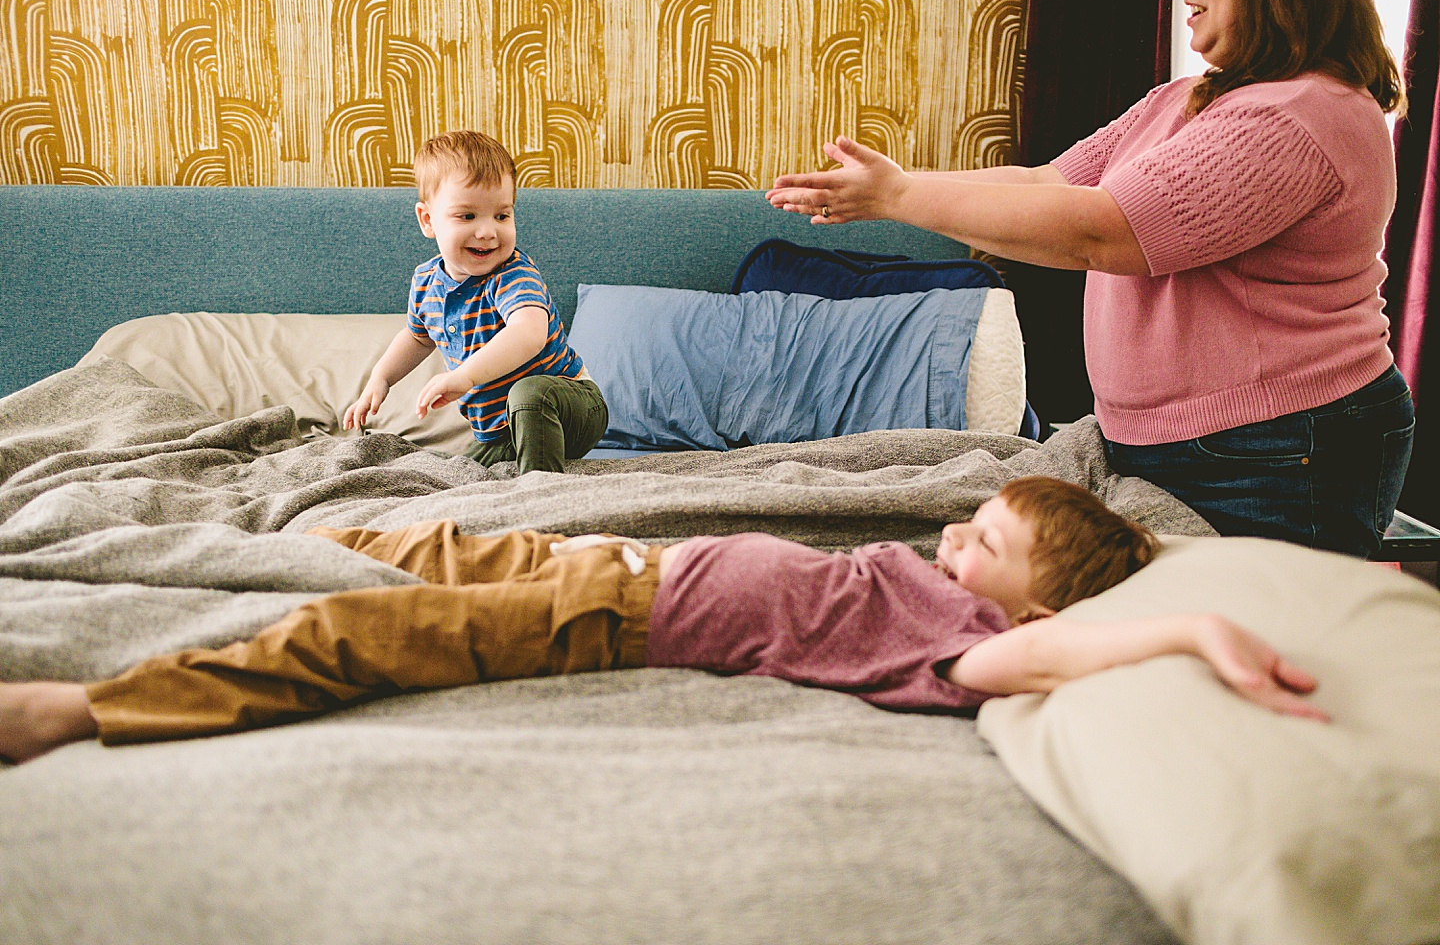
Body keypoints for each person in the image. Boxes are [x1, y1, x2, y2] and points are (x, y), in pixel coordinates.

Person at [0, 477, 1328, 764]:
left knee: (366, 631)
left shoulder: (964, 645)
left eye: (984, 544)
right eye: (966, 515)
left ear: (1027, 598)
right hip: (620, 558)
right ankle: (230, 543)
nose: (951, 536)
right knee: (379, 540)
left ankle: (85, 704)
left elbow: (1044, 652)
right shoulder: (942, 590)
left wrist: (1181, 633)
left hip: (619, 617)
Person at [766, 0, 1414, 559]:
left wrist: (898, 199)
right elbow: (1044, 182)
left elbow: (1102, 231)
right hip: (1176, 445)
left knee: (1255, 654)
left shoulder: (1301, 114)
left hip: (1275, 452)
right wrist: (899, 185)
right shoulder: (1182, 100)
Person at [343, 130, 608, 474]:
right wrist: (381, 378)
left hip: (570, 406)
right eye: (467, 216)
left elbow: (529, 334)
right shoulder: (426, 283)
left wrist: (465, 377)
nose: (487, 232)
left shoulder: (513, 274)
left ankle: (542, 489)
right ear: (428, 220)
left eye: (501, 215)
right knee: (457, 475)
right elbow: (417, 337)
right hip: (499, 431)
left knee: (529, 394)